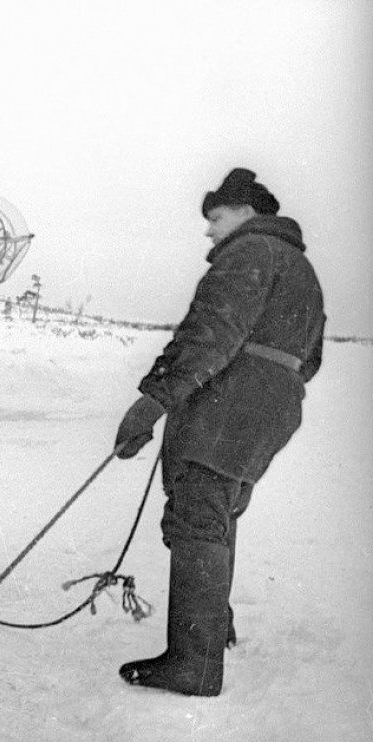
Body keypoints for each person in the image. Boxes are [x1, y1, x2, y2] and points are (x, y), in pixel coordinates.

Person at [113, 168, 326, 696]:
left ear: (247, 213)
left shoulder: (250, 250)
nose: (209, 230)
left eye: (216, 217)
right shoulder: (301, 267)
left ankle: (195, 664)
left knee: (198, 514)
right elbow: (311, 359)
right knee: (216, 513)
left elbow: (210, 332)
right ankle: (212, 630)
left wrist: (153, 400)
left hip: (230, 399)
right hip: (273, 405)